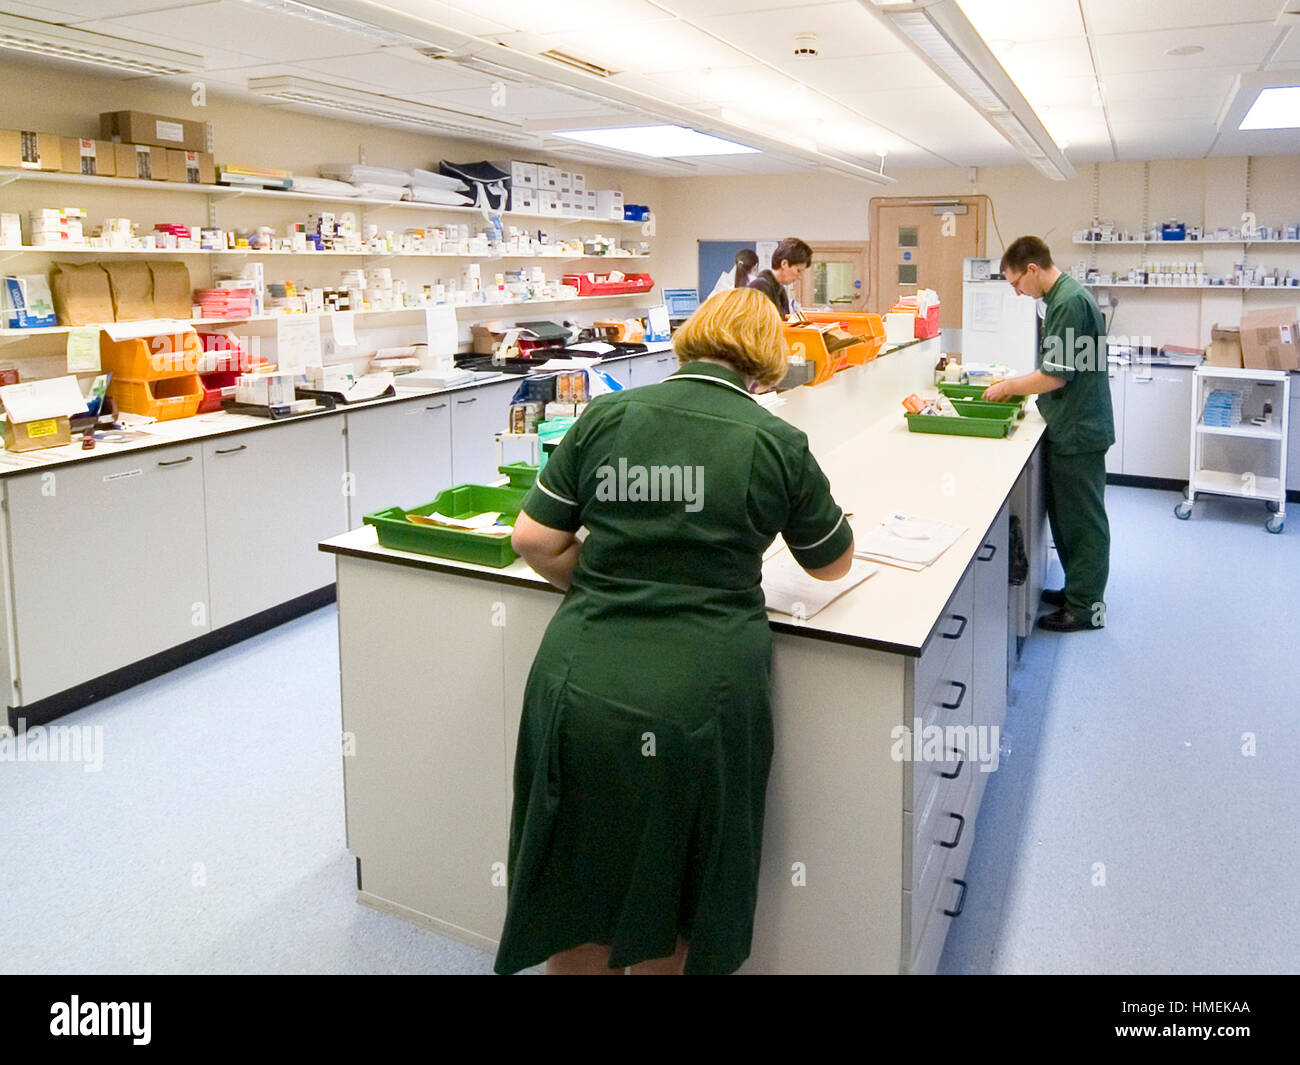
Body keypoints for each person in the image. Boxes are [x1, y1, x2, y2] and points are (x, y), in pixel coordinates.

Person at [495, 286, 855, 975]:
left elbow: (534, 539)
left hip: (580, 685)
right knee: (679, 893)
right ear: (767, 360)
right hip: (700, 696)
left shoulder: (607, 414)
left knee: (576, 878)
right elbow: (832, 561)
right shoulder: (775, 440)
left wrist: (612, 580)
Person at [984, 236, 1114, 633]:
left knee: (1083, 523)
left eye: (1015, 283)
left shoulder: (1069, 303)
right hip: (1074, 423)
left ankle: (1086, 607)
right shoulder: (1065, 297)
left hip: (1079, 428)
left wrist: (1008, 386)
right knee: (1068, 519)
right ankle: (1078, 590)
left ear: (1033, 270)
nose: (1017, 291)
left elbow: (1056, 375)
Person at [749, 237, 812, 318]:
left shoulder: (780, 290)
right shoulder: (759, 286)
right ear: (784, 264)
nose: (799, 277)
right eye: (798, 271)